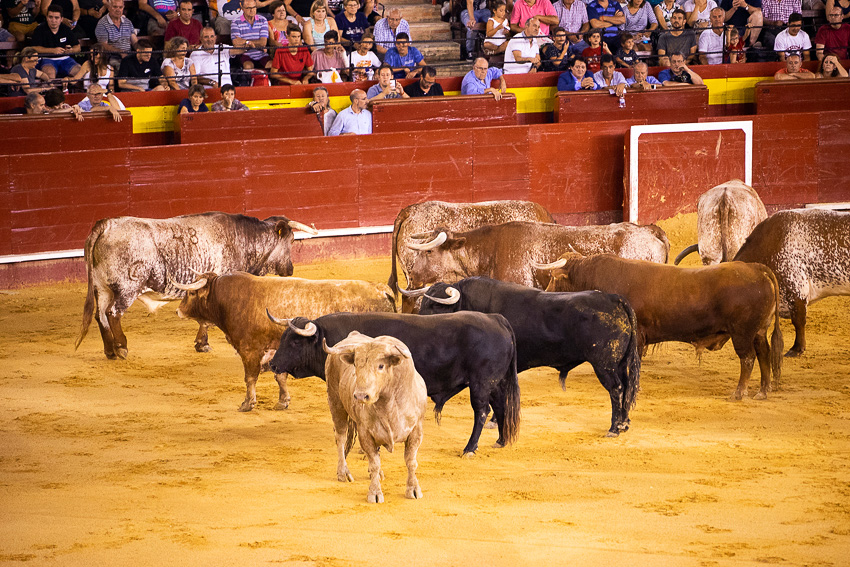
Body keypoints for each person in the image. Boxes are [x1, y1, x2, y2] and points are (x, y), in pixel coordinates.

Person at [31, 4, 82, 84]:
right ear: (47, 18)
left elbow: (78, 47)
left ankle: (70, 90)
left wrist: (71, 50)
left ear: (61, 19)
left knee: (79, 71)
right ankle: (52, 94)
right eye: (50, 17)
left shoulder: (66, 29)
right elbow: (34, 48)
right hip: (47, 59)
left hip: (66, 59)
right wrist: (52, 50)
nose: (53, 20)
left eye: (56, 18)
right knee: (49, 73)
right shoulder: (40, 29)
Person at [232, 0, 271, 74]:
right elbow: (236, 43)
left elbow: (263, 42)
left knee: (271, 65)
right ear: (242, 8)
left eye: (254, 7)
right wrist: (254, 43)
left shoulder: (263, 20)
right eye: (249, 8)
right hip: (245, 54)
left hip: (261, 54)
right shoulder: (235, 22)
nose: (252, 10)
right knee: (248, 66)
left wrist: (246, 42)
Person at [94, 0, 138, 64]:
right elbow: (103, 45)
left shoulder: (127, 22)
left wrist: (141, 50)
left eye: (120, 7)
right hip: (112, 57)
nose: (118, 10)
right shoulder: (102, 24)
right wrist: (120, 52)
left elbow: (134, 41)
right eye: (115, 7)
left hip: (128, 55)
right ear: (109, 8)